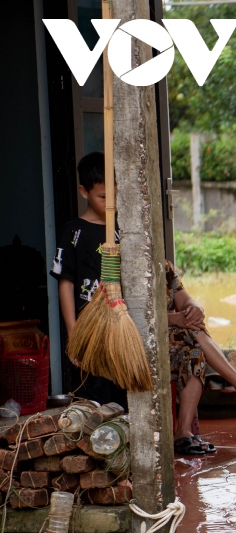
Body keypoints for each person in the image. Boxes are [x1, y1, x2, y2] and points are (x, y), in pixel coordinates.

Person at [164, 262, 236, 457]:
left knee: (195, 352)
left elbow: (185, 300)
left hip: (172, 341)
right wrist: (175, 319)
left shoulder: (164, 268)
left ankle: (183, 432)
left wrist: (195, 309)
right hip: (141, 342)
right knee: (194, 331)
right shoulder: (126, 266)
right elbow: (132, 314)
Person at [49, 151, 126, 407]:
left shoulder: (121, 229)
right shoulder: (73, 232)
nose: (109, 203)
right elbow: (66, 284)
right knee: (91, 401)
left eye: (113, 196)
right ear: (84, 192)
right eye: (102, 197)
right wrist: (74, 335)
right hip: (88, 330)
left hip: (119, 327)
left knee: (121, 397)